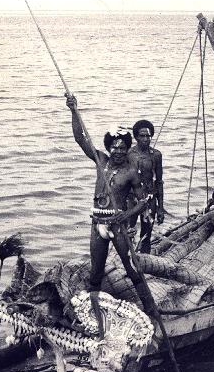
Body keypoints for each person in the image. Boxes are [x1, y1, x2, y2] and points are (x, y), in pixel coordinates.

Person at [65, 94, 153, 317]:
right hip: (98, 223)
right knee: (96, 271)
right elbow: (80, 139)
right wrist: (74, 112)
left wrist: (126, 216)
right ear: (109, 147)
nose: (119, 151)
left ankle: (150, 309)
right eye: (115, 147)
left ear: (127, 149)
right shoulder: (101, 161)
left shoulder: (131, 172)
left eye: (123, 148)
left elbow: (144, 202)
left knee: (131, 266)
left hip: (118, 224)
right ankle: (95, 314)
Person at [127, 120, 165, 253]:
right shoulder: (129, 154)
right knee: (128, 232)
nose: (145, 139)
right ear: (136, 137)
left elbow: (159, 181)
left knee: (146, 235)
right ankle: (127, 262)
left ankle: (145, 262)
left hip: (150, 199)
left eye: (148, 136)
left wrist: (160, 207)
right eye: (142, 136)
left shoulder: (156, 155)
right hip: (132, 199)